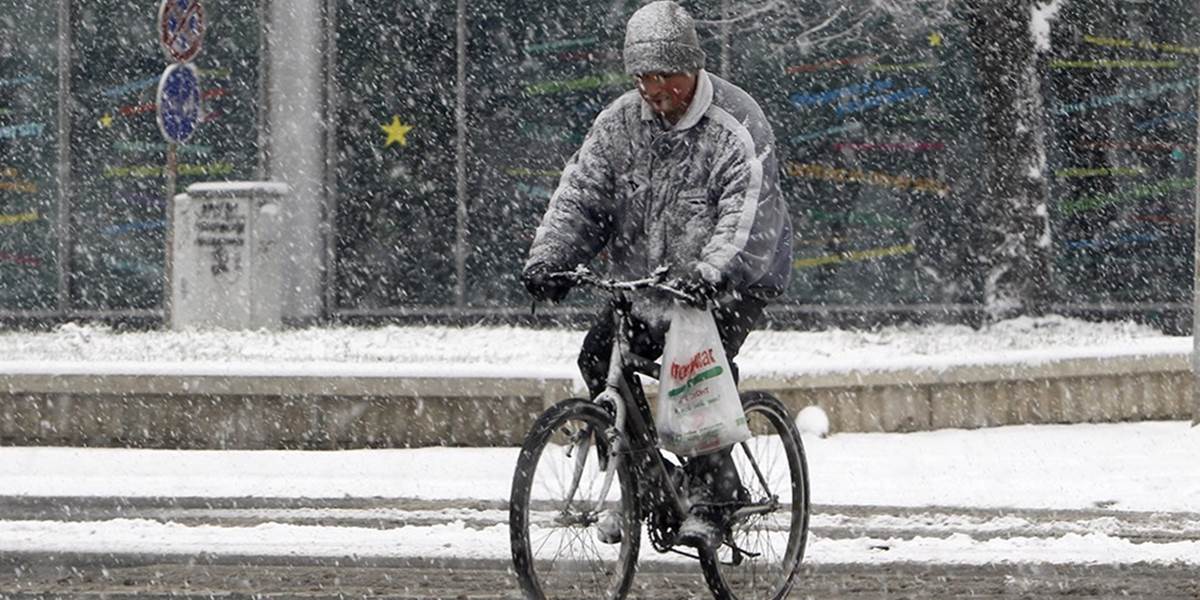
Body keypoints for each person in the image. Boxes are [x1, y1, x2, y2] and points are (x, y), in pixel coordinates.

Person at [521, 0, 793, 551]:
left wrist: (713, 273)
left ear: (692, 64)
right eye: (644, 76)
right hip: (648, 280)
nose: (654, 87)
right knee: (599, 357)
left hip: (737, 274)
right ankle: (641, 481)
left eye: (666, 74)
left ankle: (717, 494)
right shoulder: (619, 124)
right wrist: (550, 257)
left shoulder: (735, 126)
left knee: (694, 366)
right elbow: (582, 195)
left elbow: (746, 212)